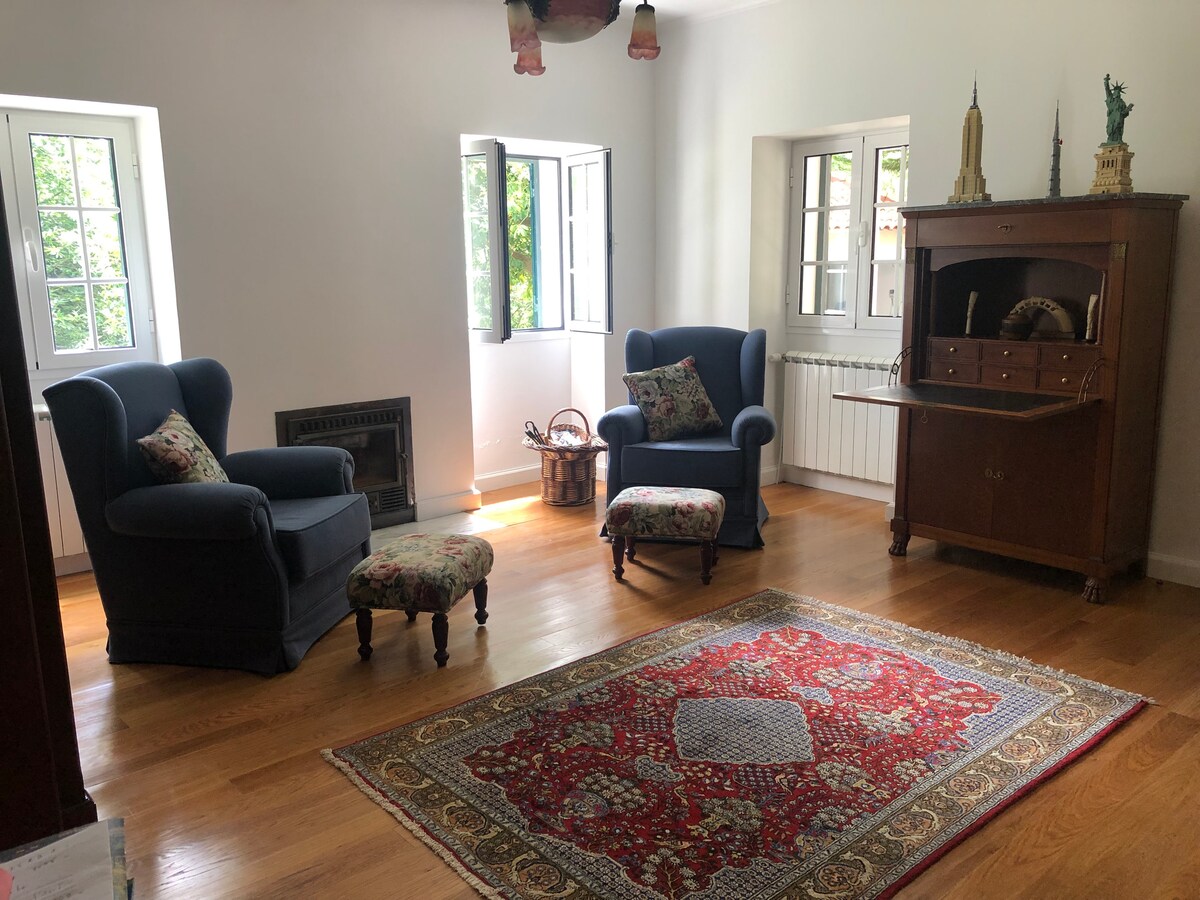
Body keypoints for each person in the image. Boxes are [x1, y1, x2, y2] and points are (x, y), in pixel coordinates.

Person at [1104, 73, 1134, 144]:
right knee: (1111, 129)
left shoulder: (1122, 103)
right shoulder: (1111, 100)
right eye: (1115, 92)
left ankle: (1118, 139)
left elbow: (1124, 113)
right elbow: (1107, 90)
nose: (1117, 93)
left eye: (1118, 92)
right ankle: (1110, 140)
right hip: (1112, 118)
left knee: (1118, 128)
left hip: (1119, 119)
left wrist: (1128, 109)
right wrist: (1106, 82)